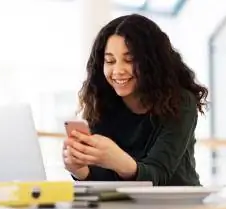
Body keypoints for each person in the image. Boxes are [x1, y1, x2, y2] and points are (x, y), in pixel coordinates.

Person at [62, 14, 208, 186]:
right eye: (110, 61)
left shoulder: (181, 102)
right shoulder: (103, 102)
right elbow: (106, 182)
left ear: (152, 63)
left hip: (178, 205)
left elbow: (158, 175)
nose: (117, 70)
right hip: (125, 207)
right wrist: (80, 171)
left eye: (129, 60)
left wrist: (117, 160)